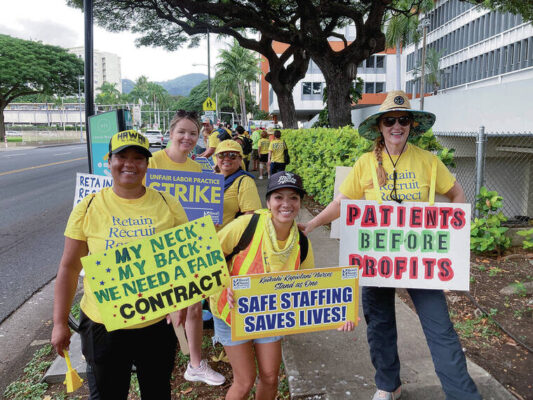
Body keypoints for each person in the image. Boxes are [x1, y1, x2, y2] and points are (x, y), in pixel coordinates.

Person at [302, 90, 481, 400]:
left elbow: (457, 196)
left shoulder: (427, 161)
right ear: (380, 127)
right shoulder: (364, 164)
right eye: (390, 121)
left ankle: (463, 395)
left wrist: (452, 246)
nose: (396, 126)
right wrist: (312, 224)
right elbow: (341, 204)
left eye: (403, 120)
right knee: (379, 324)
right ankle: (389, 385)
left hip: (420, 262)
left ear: (411, 125)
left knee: (440, 329)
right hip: (376, 260)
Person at [51, 130, 188, 399]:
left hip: (156, 323)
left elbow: (185, 259)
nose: (130, 164)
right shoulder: (89, 206)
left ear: (147, 165)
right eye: (122, 156)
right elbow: (68, 268)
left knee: (158, 391)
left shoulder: (167, 203)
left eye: (138, 158)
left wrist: (181, 302)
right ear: (109, 161)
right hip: (104, 326)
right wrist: (59, 323)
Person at [210, 171, 355, 400]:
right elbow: (208, 257)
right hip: (231, 313)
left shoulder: (301, 242)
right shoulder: (246, 225)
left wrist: (340, 312)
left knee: (269, 377)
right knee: (245, 381)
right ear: (268, 202)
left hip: (269, 316)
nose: (286, 204)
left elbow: (312, 289)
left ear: (300, 203)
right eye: (279, 197)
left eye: (293, 198)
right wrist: (227, 284)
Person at [148, 110, 225, 386]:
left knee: (193, 305)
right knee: (155, 308)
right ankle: (149, 362)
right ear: (170, 133)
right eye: (182, 131)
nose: (187, 137)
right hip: (156, 247)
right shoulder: (152, 163)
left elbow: (207, 212)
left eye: (193, 133)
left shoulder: (198, 169)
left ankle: (194, 364)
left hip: (189, 246)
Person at [215, 140, 261, 230]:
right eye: (222, 155)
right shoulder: (210, 179)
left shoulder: (245, 181)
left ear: (240, 160)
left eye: (232, 155)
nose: (227, 158)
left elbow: (251, 215)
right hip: (203, 237)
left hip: (226, 241)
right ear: (216, 158)